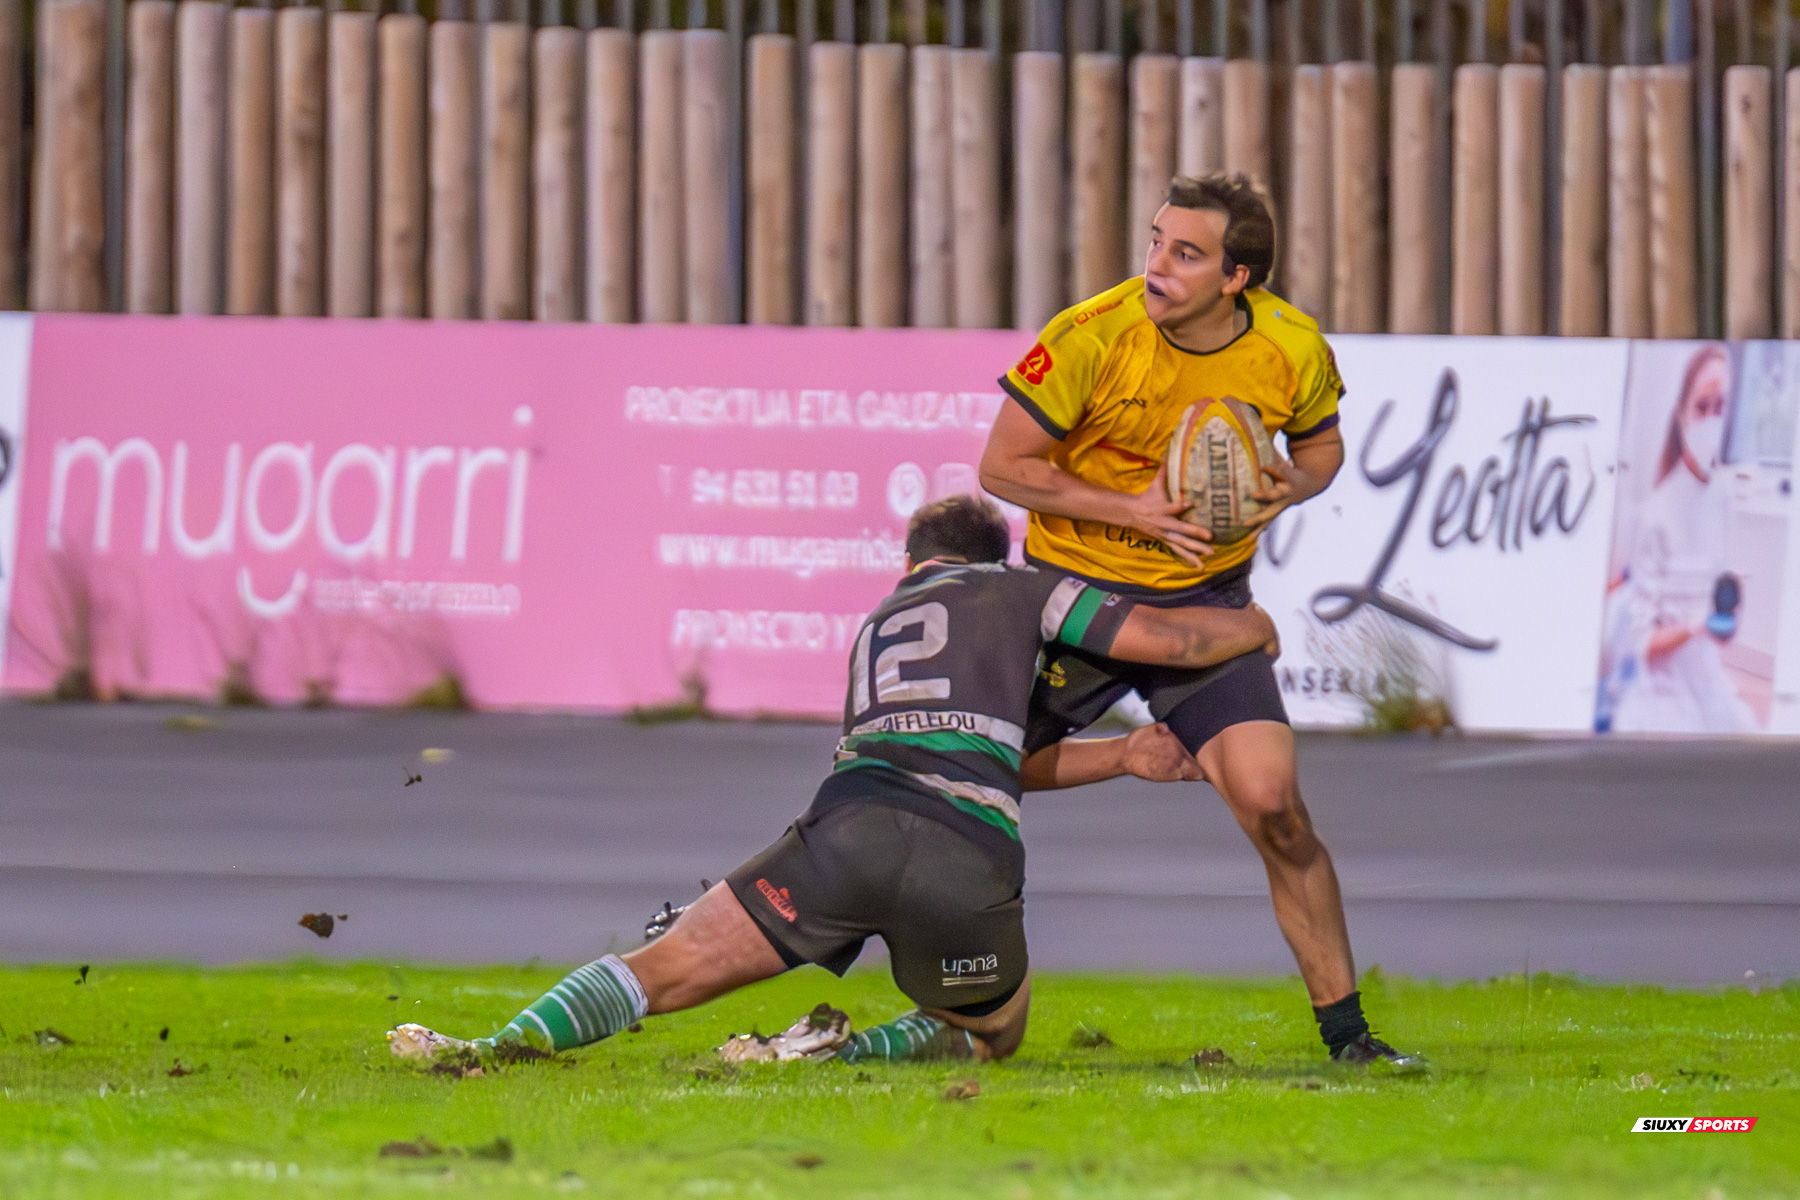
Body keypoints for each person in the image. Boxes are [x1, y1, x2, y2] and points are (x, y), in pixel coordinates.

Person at [388, 495, 1277, 1067]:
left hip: (844, 830)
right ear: (995, 554)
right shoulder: (1026, 591)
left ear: (910, 563)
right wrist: (1252, 630)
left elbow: (952, 744)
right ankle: (821, 1055)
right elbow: (1173, 644)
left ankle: (486, 1047)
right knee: (991, 1028)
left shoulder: (878, 621)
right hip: (962, 852)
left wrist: (1120, 757)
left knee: (659, 970)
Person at [978, 172, 1421, 1067]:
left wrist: (1287, 486)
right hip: (1078, 601)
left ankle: (1351, 1042)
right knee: (961, 771)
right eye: (1154, 242)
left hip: (1205, 605)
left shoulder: (1292, 346)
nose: (1156, 266)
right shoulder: (1090, 337)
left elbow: (1323, 446)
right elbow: (1001, 467)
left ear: (1237, 278)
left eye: (1185, 253)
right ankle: (936, 993)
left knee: (1276, 809)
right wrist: (1132, 509)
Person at [1597, 344, 1757, 733]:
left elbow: (1719, 638)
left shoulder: (1722, 498)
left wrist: (1726, 616)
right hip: (1662, 693)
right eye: (1702, 407)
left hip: (1707, 682)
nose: (1711, 420)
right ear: (1681, 414)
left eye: (1720, 407)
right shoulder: (1657, 512)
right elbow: (1641, 644)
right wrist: (1695, 626)